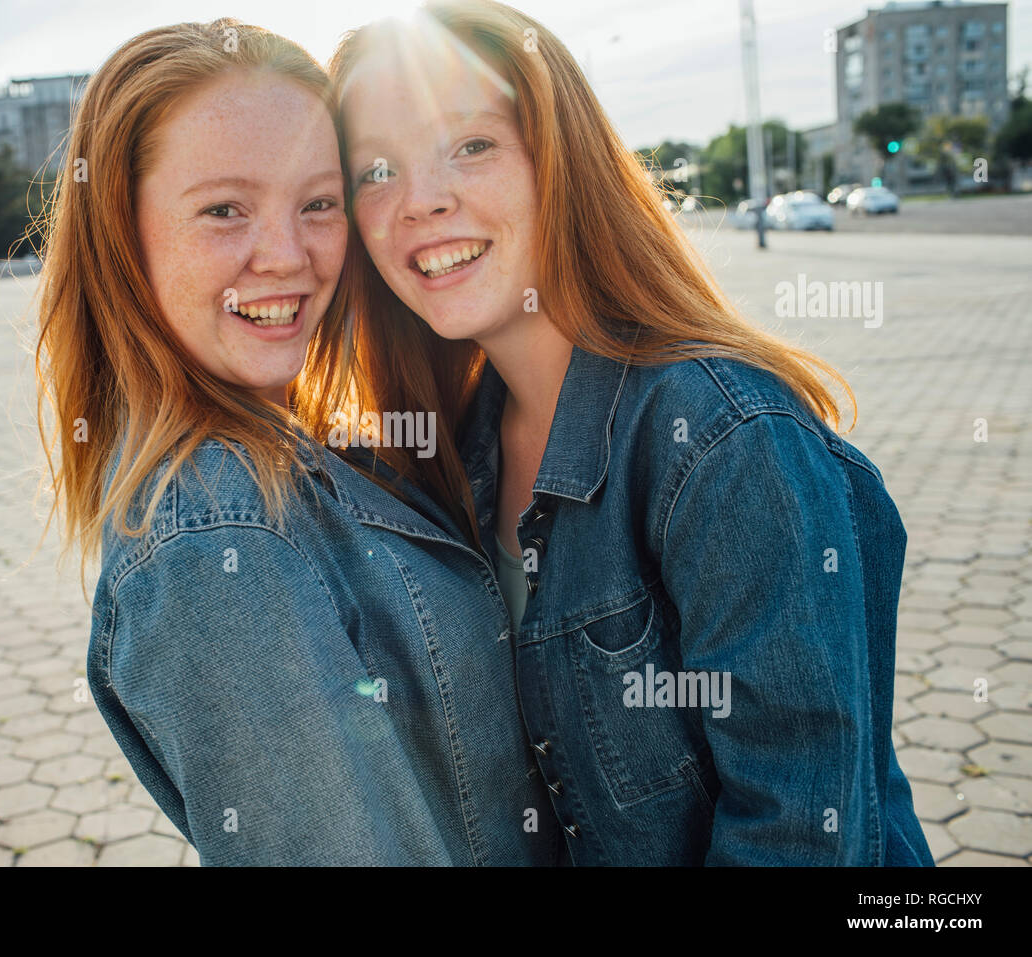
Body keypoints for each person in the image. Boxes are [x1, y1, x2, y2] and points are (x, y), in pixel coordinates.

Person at [330, 0, 933, 865]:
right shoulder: (451, 448)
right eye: (376, 169)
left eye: (471, 145)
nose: (421, 200)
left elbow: (798, 833)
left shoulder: (726, 442)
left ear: (559, 162)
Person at [34, 18, 562, 866]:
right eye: (224, 209)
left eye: (318, 204)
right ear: (119, 234)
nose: (285, 256)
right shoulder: (217, 537)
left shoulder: (301, 460)